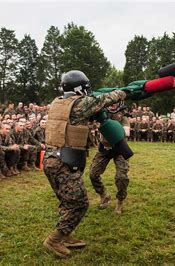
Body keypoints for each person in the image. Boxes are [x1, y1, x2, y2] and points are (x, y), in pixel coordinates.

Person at [42, 70, 127, 258]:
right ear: (80, 88)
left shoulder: (58, 102)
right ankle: (54, 240)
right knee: (79, 203)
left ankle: (67, 235)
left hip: (53, 160)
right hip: (62, 162)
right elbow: (107, 99)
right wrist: (125, 91)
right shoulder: (81, 103)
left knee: (67, 201)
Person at [89, 101, 131, 214]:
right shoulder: (100, 114)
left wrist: (109, 127)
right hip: (105, 149)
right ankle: (104, 195)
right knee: (93, 174)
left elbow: (126, 133)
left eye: (114, 103)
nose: (112, 105)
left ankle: (120, 200)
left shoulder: (123, 118)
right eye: (110, 103)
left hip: (120, 149)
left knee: (121, 177)